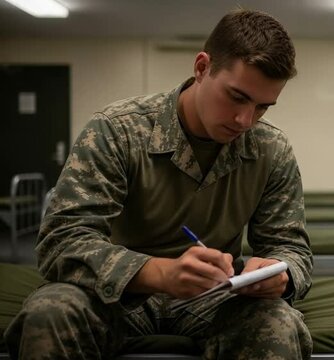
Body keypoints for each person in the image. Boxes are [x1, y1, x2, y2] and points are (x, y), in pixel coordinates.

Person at [4, 8, 313, 359]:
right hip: (117, 296)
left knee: (277, 323)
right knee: (50, 312)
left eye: (263, 107)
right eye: (237, 97)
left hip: (214, 300)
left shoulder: (270, 148)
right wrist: (158, 273)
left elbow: (291, 247)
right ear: (201, 68)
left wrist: (279, 273)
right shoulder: (117, 130)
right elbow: (62, 240)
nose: (245, 119)